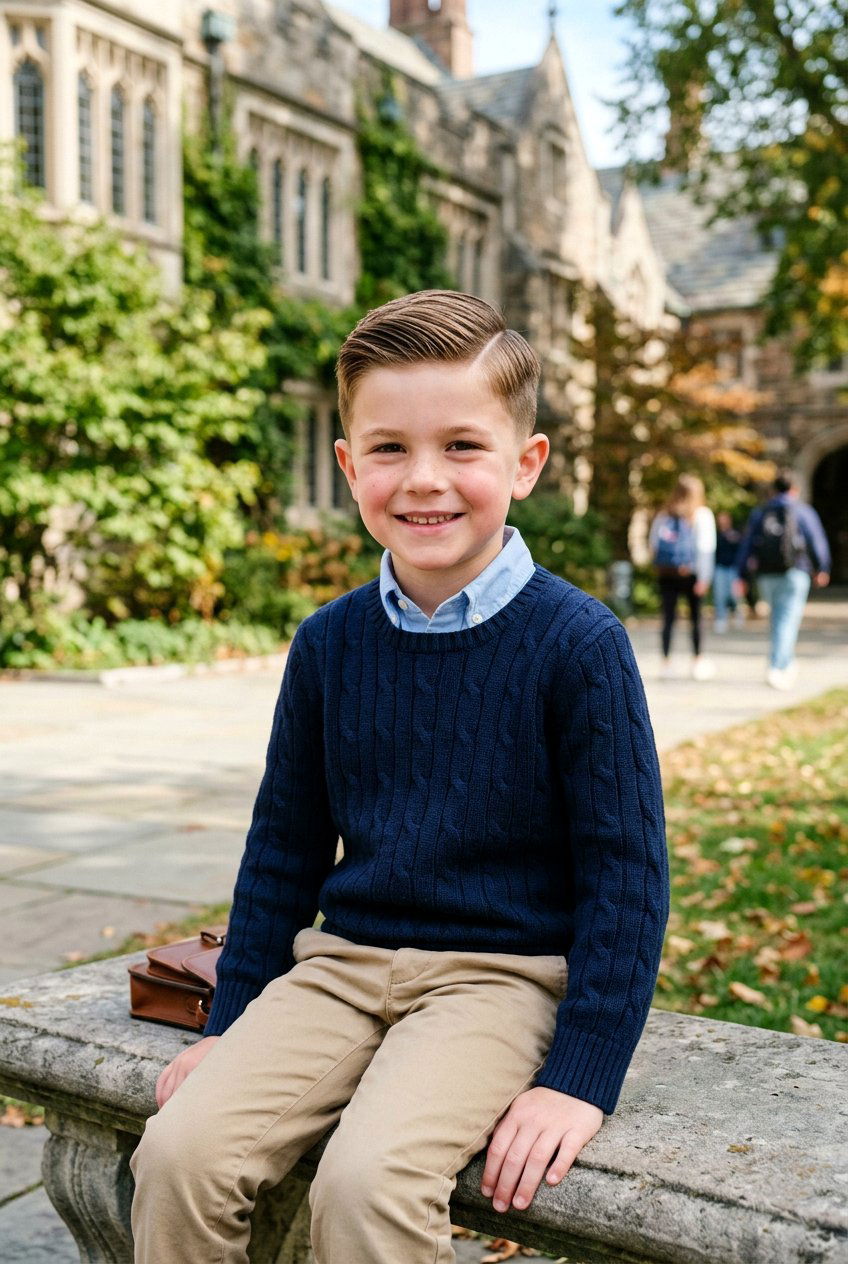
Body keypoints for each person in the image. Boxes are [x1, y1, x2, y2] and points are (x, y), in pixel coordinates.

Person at [129, 290, 669, 1264]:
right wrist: (233, 1025)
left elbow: (624, 879)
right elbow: (283, 849)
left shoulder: (577, 644)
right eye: (388, 449)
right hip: (339, 968)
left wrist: (577, 1078)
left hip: (497, 980)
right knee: (178, 1152)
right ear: (347, 465)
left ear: (525, 462)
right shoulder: (328, 643)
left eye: (461, 446)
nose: (424, 480)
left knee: (366, 1183)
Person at [735, 470, 831, 689]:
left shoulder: (761, 513)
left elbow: (747, 545)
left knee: (778, 619)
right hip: (794, 573)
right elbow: (816, 541)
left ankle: (786, 662)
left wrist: (741, 575)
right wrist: (822, 568)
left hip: (766, 575)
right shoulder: (802, 511)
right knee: (787, 619)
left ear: (773, 490)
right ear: (794, 489)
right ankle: (777, 666)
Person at [649, 474, 716, 681]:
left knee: (668, 618)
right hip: (691, 574)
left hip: (668, 573)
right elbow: (706, 548)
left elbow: (653, 544)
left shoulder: (664, 515)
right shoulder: (701, 515)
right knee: (696, 619)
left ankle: (666, 663)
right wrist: (704, 578)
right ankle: (697, 662)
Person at [712, 510, 744, 633]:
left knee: (734, 594)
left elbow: (740, 551)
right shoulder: (715, 535)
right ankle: (721, 618)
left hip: (733, 568)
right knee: (720, 595)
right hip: (720, 567)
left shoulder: (735, 535)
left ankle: (737, 614)